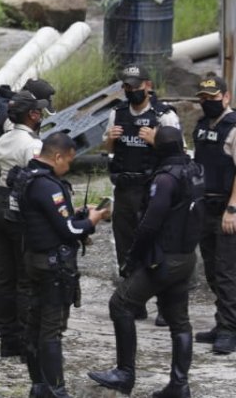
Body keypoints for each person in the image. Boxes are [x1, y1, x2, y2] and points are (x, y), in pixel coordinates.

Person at [87, 127, 204, 397]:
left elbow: (150, 224)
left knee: (120, 304)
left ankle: (125, 373)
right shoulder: (196, 170)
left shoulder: (164, 179)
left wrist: (132, 259)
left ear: (159, 149)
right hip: (186, 257)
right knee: (179, 322)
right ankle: (179, 385)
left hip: (163, 258)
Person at [14, 132, 110, 398]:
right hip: (52, 268)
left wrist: (78, 213)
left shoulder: (28, 176)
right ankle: (57, 391)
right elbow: (68, 229)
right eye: (68, 161)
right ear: (57, 157)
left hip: (34, 260)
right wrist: (94, 219)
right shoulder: (48, 186)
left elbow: (50, 220)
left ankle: (39, 386)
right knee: (50, 332)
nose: (68, 166)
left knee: (34, 327)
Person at [102, 64, 179, 322]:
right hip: (124, 189)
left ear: (147, 85)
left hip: (154, 191)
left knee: (157, 248)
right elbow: (110, 152)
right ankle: (134, 301)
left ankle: (166, 306)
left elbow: (178, 153)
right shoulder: (118, 113)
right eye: (126, 86)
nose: (131, 90)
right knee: (126, 247)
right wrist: (110, 140)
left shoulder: (164, 115)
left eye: (135, 85)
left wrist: (155, 141)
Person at [0, 79, 56, 327]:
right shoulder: (23, 136)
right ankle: (18, 327)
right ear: (30, 110)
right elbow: (34, 176)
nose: (43, 114)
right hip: (11, 196)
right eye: (40, 110)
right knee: (20, 268)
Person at [0, 89, 51, 357]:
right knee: (25, 278)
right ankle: (29, 344)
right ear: (33, 115)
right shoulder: (33, 145)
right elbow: (36, 181)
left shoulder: (3, 139)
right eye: (39, 111)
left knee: (5, 276)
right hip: (18, 208)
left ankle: (8, 340)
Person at [191, 75, 236, 355]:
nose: (208, 103)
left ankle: (230, 330)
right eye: (204, 98)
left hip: (226, 210)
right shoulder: (202, 126)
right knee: (211, 268)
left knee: (226, 271)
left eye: (213, 97)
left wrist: (232, 208)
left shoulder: (233, 128)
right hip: (205, 206)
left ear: (226, 97)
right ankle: (223, 323)